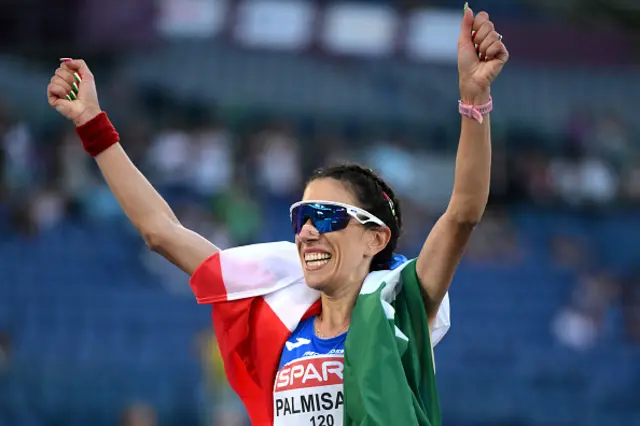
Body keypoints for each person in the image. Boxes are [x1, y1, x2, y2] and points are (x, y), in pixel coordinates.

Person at [46, 4, 508, 425]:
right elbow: (160, 232)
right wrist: (92, 124)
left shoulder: (399, 306)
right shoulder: (283, 318)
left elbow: (463, 212)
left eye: (327, 216)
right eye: (301, 217)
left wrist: (474, 99)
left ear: (375, 238)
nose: (307, 231)